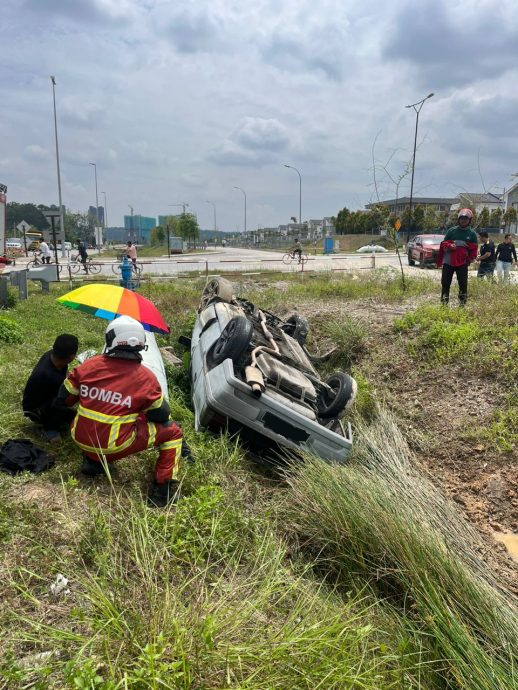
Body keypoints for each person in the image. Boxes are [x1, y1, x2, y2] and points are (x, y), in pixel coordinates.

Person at [58, 316, 185, 507]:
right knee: (173, 431)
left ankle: (92, 463)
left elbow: (64, 399)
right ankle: (162, 492)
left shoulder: (89, 365)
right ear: (140, 343)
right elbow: (160, 415)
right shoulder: (145, 378)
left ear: (112, 340)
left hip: (81, 438)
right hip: (114, 445)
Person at [22, 334, 79, 440]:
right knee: (74, 416)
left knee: (71, 413)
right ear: (72, 357)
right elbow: (66, 398)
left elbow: (65, 375)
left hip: (38, 400)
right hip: (36, 411)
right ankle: (47, 429)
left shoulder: (51, 356)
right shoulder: (50, 376)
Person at [437, 209, 478, 306]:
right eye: (461, 218)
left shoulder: (472, 234)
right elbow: (443, 244)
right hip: (448, 262)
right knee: (445, 283)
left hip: (462, 263)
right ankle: (444, 304)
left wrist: (469, 260)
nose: (463, 220)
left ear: (469, 220)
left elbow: (474, 249)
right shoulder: (451, 231)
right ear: (458, 219)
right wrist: (449, 246)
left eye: (466, 219)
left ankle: (462, 305)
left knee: (463, 284)